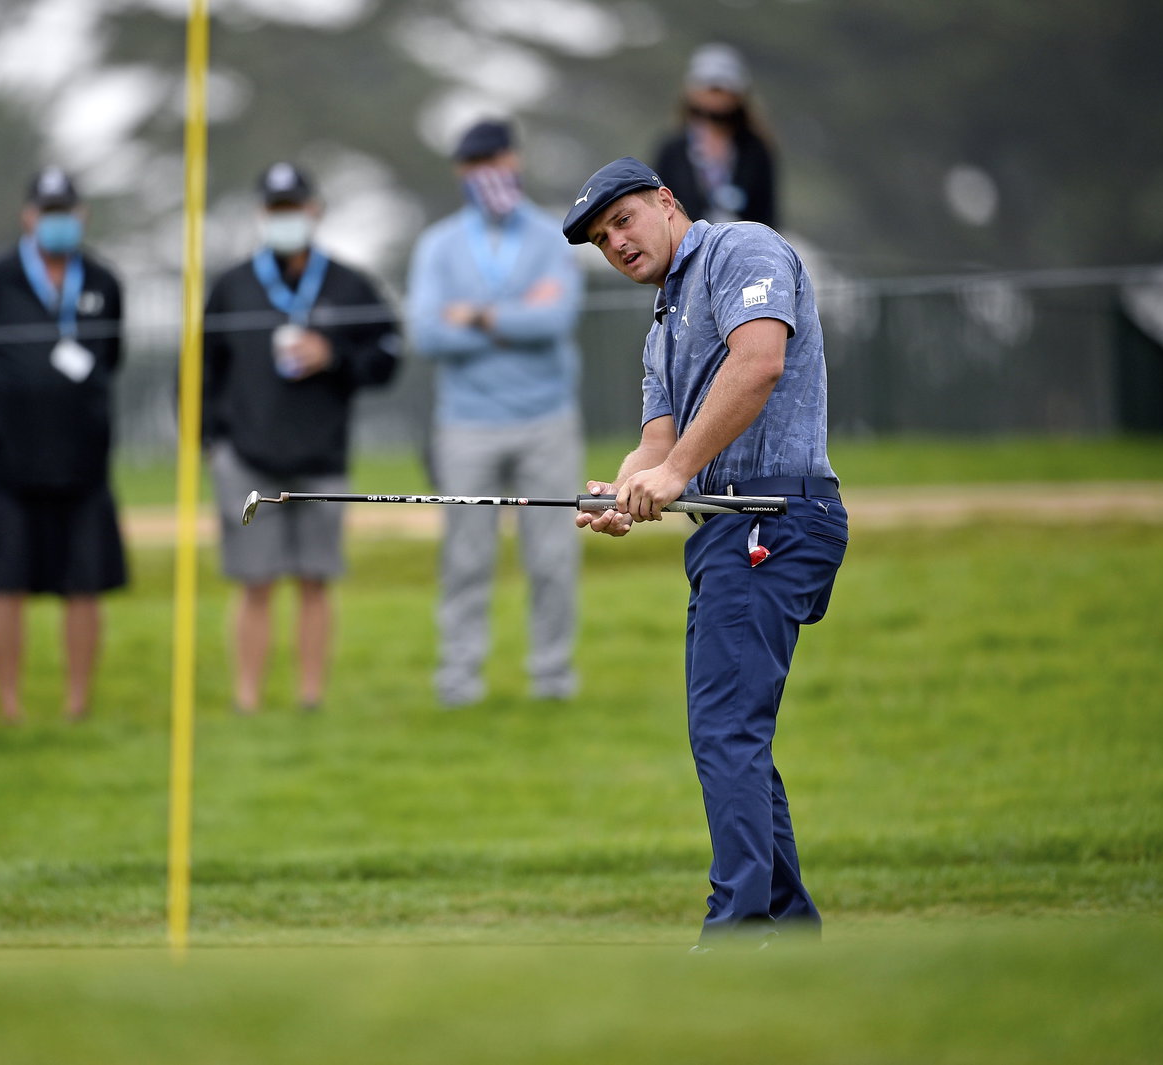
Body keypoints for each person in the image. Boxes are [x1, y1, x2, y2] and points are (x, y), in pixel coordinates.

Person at [562, 157, 847, 947]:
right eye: (599, 238)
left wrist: (675, 472)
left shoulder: (741, 252)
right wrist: (622, 494)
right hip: (729, 529)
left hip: (775, 513)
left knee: (727, 730)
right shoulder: (662, 324)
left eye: (622, 221)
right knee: (730, 731)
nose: (615, 242)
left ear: (665, 202)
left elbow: (759, 365)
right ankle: (786, 928)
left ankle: (740, 931)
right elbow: (657, 444)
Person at [203, 162, 400, 714]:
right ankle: (247, 700)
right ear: (262, 216)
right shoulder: (233, 286)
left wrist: (333, 356)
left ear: (314, 211)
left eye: (294, 208)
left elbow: (387, 357)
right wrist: (211, 443)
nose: (285, 218)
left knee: (316, 579)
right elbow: (200, 370)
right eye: (275, 210)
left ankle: (310, 698)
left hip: (322, 457)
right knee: (254, 581)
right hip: (246, 458)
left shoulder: (349, 283)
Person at [406, 119, 584, 708]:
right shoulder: (438, 245)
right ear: (460, 171)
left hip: (547, 419)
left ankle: (552, 678)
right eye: (473, 163)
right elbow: (428, 333)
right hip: (467, 423)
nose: (487, 172)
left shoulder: (554, 236)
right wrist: (514, 316)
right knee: (465, 557)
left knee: (554, 556)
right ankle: (458, 681)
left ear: (515, 159)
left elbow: (556, 320)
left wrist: (476, 315)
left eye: (495, 158)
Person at [0, 166, 126, 724]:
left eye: (67, 212)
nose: (58, 222)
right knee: (7, 582)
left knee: (84, 582)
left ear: (83, 216)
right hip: (10, 458)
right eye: (47, 212)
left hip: (82, 459)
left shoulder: (103, 282)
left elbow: (112, 356)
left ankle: (78, 704)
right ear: (28, 216)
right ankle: (10, 708)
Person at [651, 43, 778, 228]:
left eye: (722, 88)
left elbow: (768, 214)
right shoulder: (672, 149)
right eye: (709, 87)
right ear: (691, 91)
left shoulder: (756, 150)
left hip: (742, 249)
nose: (715, 95)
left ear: (739, 94)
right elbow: (656, 206)